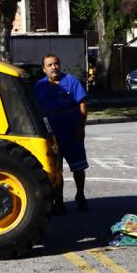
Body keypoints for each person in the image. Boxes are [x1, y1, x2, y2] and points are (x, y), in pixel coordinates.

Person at [33, 54, 89, 210]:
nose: (54, 67)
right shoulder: (39, 87)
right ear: (44, 69)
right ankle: (59, 202)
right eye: (49, 65)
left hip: (72, 133)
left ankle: (80, 195)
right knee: (56, 170)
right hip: (51, 137)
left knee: (78, 167)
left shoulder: (71, 82)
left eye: (56, 63)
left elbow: (83, 106)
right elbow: (36, 110)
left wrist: (81, 128)